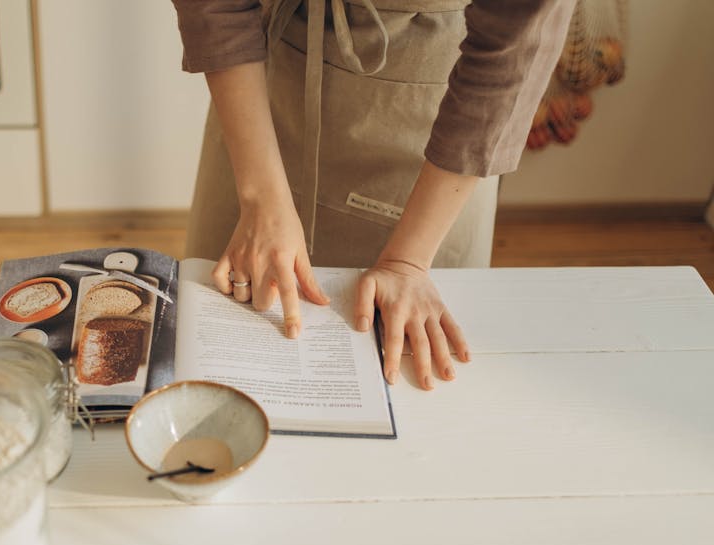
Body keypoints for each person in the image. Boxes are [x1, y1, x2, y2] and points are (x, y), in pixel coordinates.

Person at [172, 0, 576, 390]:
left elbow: (518, 35)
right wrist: (261, 200)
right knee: (214, 355)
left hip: (439, 113)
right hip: (262, 91)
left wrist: (408, 262)